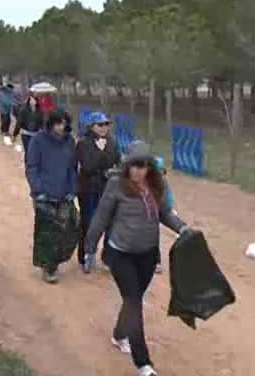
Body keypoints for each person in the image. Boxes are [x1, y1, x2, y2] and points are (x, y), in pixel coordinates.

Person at [84, 140, 194, 376]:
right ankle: (143, 363)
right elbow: (101, 216)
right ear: (127, 165)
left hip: (147, 254)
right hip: (120, 254)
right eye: (134, 166)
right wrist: (90, 247)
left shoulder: (156, 184)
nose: (138, 171)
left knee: (132, 299)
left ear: (150, 167)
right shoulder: (116, 184)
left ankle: (119, 334)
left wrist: (182, 228)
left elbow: (165, 213)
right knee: (134, 302)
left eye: (143, 166)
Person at [25, 110, 79, 283]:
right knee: (47, 232)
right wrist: (38, 190)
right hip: (44, 194)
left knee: (69, 228)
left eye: (64, 123)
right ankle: (49, 267)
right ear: (50, 124)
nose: (61, 127)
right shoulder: (38, 141)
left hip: (64, 193)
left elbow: (72, 167)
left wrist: (72, 188)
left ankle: (56, 259)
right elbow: (32, 166)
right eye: (58, 123)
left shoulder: (69, 141)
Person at [76, 112, 121, 271]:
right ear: (91, 126)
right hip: (88, 189)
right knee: (89, 223)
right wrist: (100, 152)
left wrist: (114, 172)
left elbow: (118, 160)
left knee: (111, 223)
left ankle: (107, 257)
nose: (103, 128)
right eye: (99, 125)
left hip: (108, 188)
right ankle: (85, 256)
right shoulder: (83, 143)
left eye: (106, 124)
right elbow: (88, 166)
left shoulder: (113, 141)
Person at [153, 156, 176, 275]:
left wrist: (171, 208)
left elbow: (168, 195)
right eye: (158, 171)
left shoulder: (163, 182)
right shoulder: (144, 181)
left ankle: (156, 262)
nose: (160, 174)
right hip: (145, 211)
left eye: (162, 171)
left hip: (160, 209)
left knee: (154, 233)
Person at [12, 95, 44, 163]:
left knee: (34, 151)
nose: (32, 101)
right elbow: (19, 123)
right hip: (26, 134)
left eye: (34, 100)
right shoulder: (24, 110)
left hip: (35, 134)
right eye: (30, 100)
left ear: (37, 101)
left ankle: (33, 165)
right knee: (28, 150)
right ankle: (28, 167)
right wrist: (15, 134)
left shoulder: (40, 111)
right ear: (29, 101)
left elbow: (42, 124)